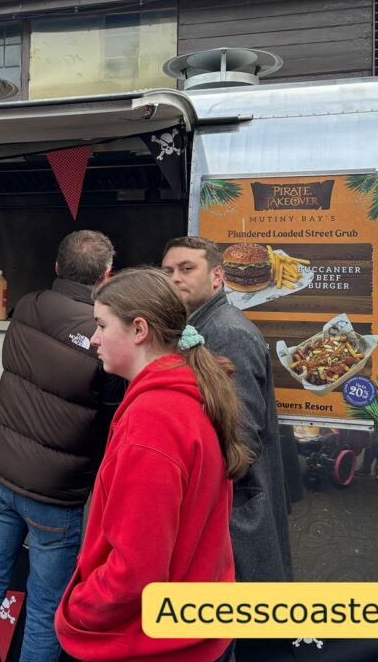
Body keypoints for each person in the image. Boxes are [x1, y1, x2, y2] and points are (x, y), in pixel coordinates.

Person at [55, 268, 250, 662]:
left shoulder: (153, 421)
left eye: (101, 324)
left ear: (139, 329)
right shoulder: (189, 394)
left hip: (151, 646)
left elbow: (135, 570)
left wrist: (78, 608)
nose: (93, 338)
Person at [0, 230, 125, 662]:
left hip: (4, 475)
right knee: (46, 608)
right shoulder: (105, 333)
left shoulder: (26, 305)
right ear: (106, 276)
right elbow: (110, 410)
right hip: (56, 493)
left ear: (58, 267)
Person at [161, 236, 293, 583]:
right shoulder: (199, 327)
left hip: (236, 520)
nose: (175, 278)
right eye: (168, 271)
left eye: (187, 269)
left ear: (217, 277)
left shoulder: (227, 332)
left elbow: (239, 442)